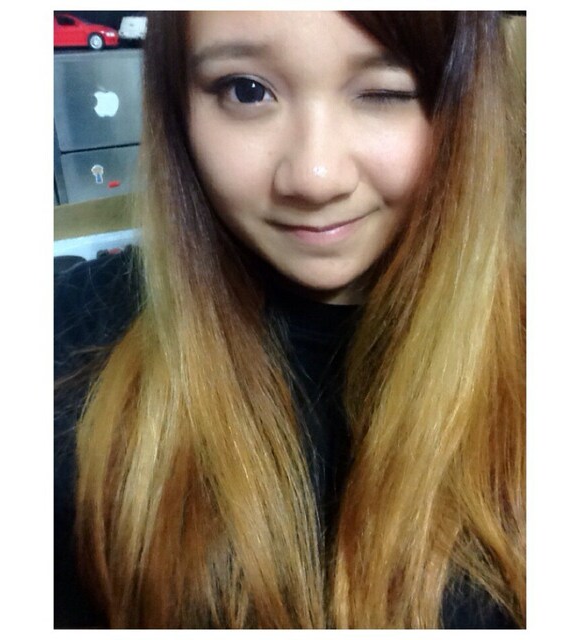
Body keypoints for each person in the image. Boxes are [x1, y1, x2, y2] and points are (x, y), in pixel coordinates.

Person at [54, 10, 526, 629]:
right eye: (247, 90)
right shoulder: (65, 348)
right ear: (177, 104)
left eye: (384, 92)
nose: (314, 177)